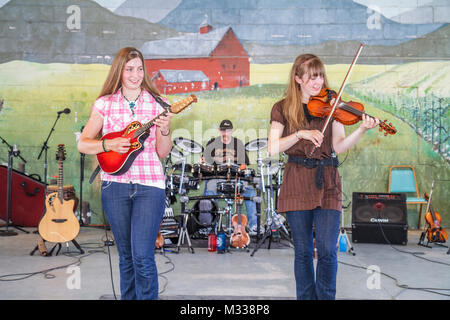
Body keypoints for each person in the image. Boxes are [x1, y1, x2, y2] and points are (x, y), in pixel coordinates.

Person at [267, 54, 379, 300]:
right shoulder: (282, 108)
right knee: (304, 253)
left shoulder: (333, 105)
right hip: (297, 180)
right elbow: (273, 147)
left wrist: (360, 129)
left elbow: (338, 145)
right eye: (311, 76)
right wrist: (300, 135)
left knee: (328, 250)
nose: (318, 82)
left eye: (320, 75)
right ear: (298, 79)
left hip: (327, 180)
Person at [77, 47, 173, 300]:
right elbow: (83, 143)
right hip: (114, 186)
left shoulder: (158, 104)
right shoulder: (105, 104)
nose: (135, 74)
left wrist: (164, 130)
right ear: (119, 71)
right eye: (130, 69)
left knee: (142, 255)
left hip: (150, 186)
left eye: (140, 68)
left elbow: (162, 152)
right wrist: (107, 145)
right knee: (127, 256)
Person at [202, 120, 260, 235]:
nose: (225, 132)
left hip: (236, 177)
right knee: (209, 189)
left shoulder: (238, 143)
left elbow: (244, 164)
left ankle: (254, 226)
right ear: (219, 131)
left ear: (232, 131)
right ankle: (208, 226)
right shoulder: (212, 142)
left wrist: (239, 169)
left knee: (251, 192)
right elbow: (204, 161)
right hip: (217, 177)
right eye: (223, 130)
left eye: (228, 130)